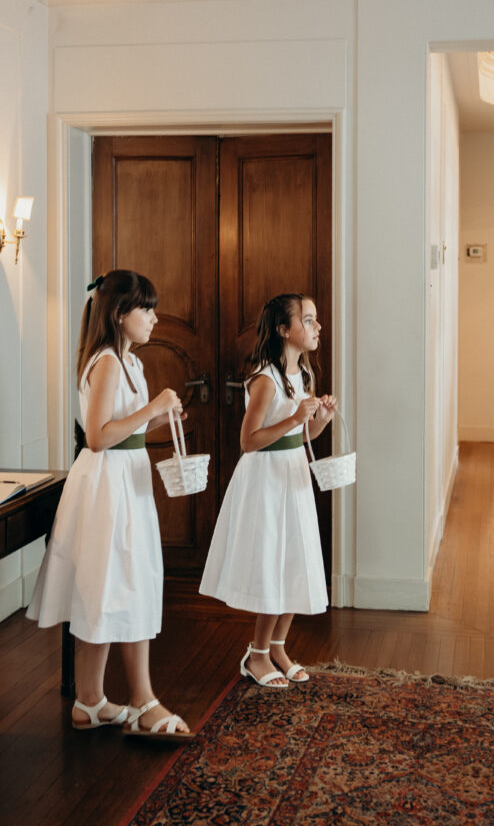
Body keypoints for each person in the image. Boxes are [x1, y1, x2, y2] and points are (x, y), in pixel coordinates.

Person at [27, 269, 194, 741]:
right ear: (120, 314)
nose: (155, 318)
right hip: (107, 484)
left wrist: (161, 416)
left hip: (126, 478)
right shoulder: (105, 362)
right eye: (147, 309)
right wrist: (152, 407)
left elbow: (127, 428)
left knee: (109, 585)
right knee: (120, 583)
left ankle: (90, 701)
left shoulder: (130, 362)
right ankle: (143, 701)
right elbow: (98, 437)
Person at [200, 293, 336, 688]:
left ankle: (278, 647)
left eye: (315, 319)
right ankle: (256, 655)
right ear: (283, 330)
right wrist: (294, 417)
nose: (317, 326)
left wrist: (321, 419)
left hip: (293, 474)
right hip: (266, 480)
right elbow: (248, 441)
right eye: (307, 320)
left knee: (295, 560)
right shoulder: (265, 380)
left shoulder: (303, 375)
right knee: (273, 564)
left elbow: (303, 435)